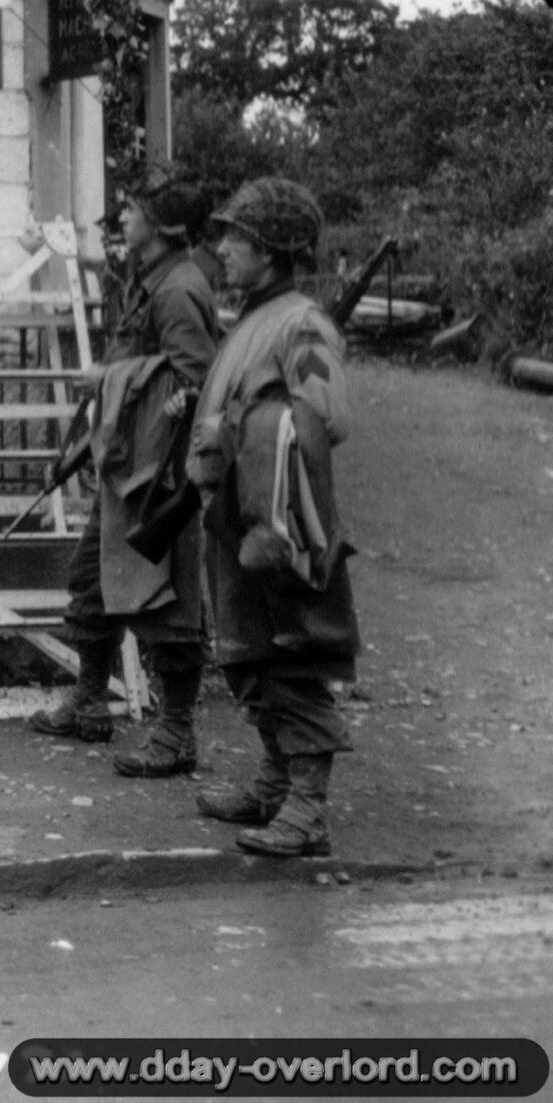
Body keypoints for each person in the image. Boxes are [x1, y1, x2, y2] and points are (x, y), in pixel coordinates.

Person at [186, 176, 359, 859]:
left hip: (282, 522)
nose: (224, 248)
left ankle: (308, 810)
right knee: (249, 655)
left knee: (293, 656)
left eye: (239, 238)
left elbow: (324, 418)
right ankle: (272, 780)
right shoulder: (252, 318)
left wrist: (247, 429)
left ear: (271, 251)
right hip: (237, 517)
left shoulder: (302, 323)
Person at [28, 168, 218, 777]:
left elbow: (196, 382)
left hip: (161, 475)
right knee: (91, 579)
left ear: (162, 228)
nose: (124, 216)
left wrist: (108, 379)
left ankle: (177, 733)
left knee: (167, 600)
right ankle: (89, 701)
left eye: (134, 209)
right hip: (126, 462)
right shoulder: (150, 279)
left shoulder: (179, 290)